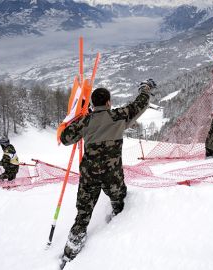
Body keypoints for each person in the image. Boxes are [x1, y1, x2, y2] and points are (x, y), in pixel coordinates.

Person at [59, 79, 156, 267]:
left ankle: (72, 248)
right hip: (113, 174)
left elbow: (65, 138)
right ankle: (117, 218)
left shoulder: (85, 121)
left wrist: (77, 118)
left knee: (84, 212)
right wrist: (144, 88)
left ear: (93, 104)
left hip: (89, 174)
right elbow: (140, 104)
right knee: (119, 198)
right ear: (109, 102)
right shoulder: (118, 116)